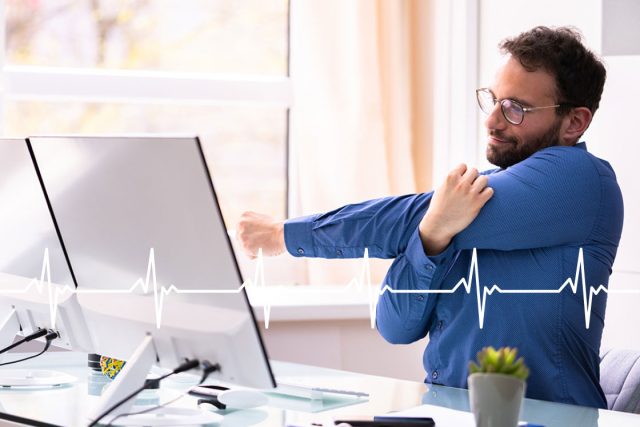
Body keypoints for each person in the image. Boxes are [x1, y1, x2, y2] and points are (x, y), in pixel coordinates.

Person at [236, 26, 623, 408]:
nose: (492, 121)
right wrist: (432, 237)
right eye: (494, 100)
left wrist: (283, 234)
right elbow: (395, 326)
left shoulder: (582, 180)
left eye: (515, 108)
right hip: (444, 414)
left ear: (574, 122)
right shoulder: (461, 206)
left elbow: (405, 218)